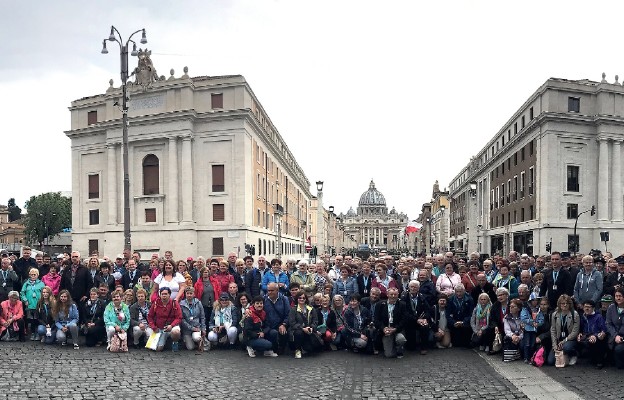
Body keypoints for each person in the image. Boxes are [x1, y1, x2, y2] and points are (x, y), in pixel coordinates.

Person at [374, 287, 407, 358]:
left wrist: (395, 329)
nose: (393, 296)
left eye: (395, 294)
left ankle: (399, 349)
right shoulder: (380, 304)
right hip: (386, 330)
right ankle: (391, 346)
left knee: (401, 339)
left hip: (397, 330)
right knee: (389, 355)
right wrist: (383, 328)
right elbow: (376, 320)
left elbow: (404, 320)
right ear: (387, 294)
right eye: (391, 294)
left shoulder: (402, 305)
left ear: (398, 295)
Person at [547, 294, 580, 366]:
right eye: (563, 303)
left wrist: (564, 341)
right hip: (559, 340)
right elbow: (553, 330)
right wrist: (554, 345)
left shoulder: (574, 314)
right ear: (559, 304)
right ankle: (564, 355)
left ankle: (573, 354)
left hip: (570, 339)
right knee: (550, 361)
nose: (565, 305)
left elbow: (575, 332)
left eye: (567, 303)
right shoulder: (555, 315)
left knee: (566, 347)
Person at [147, 287, 182, 352]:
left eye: (166, 294)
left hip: (171, 326)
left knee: (176, 332)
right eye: (162, 294)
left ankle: (175, 343)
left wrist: (171, 325)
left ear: (169, 295)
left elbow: (179, 317)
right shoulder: (155, 303)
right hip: (159, 328)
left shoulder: (174, 303)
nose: (164, 296)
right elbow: (150, 316)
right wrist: (153, 327)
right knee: (158, 349)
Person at [288, 290, 321, 358]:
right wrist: (302, 328)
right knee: (299, 333)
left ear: (306, 299)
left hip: (309, 331)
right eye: (300, 298)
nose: (302, 299)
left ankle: (304, 347)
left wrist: (312, 327)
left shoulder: (311, 309)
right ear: (297, 299)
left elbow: (315, 321)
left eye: (303, 298)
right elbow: (292, 323)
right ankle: (298, 350)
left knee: (311, 349)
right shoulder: (293, 309)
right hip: (297, 331)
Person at [402, 280, 432, 354]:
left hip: (421, 320)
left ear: (418, 288)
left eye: (415, 287)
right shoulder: (404, 297)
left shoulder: (422, 297)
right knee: (411, 348)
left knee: (425, 326)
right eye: (411, 286)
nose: (413, 288)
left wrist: (425, 318)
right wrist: (416, 320)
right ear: (409, 288)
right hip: (410, 320)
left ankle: (424, 347)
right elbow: (404, 313)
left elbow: (428, 310)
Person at [578, 300, 608, 368]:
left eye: (589, 307)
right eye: (585, 307)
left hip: (597, 337)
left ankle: (600, 361)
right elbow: (580, 329)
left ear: (593, 308)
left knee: (596, 341)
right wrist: (579, 334)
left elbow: (603, 330)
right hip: (586, 337)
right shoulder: (583, 317)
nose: (587, 309)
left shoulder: (598, 317)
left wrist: (595, 335)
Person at [263, 282, 290, 354]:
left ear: (277, 290)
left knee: (284, 332)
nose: (270, 292)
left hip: (281, 324)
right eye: (268, 290)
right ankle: (273, 348)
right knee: (273, 333)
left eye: (272, 290)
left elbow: (288, 314)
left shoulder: (284, 299)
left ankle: (282, 348)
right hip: (268, 326)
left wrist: (284, 324)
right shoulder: (263, 299)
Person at [193, 266, 220, 337]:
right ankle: (204, 336)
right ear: (201, 273)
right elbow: (195, 295)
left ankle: (212, 336)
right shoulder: (197, 283)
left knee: (212, 320)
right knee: (204, 320)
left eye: (207, 272)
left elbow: (218, 292)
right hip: (203, 305)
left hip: (213, 305)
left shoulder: (215, 282)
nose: (206, 273)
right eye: (204, 272)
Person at [20, 268, 44, 340]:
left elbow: (44, 293)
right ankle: (33, 333)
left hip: (38, 304)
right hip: (29, 304)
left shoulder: (41, 283)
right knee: (31, 320)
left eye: (35, 275)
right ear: (29, 275)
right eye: (31, 274)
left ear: (37, 275)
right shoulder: (26, 284)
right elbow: (22, 293)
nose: (33, 276)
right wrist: (25, 300)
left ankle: (38, 333)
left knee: (38, 319)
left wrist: (41, 301)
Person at [179, 286, 206, 351]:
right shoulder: (181, 304)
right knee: (190, 348)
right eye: (187, 293)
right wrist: (191, 328)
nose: (189, 295)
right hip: (187, 329)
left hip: (197, 327)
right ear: (185, 294)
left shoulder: (198, 303)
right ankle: (188, 340)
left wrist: (203, 328)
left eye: (191, 293)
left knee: (196, 338)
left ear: (194, 294)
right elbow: (182, 319)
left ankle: (199, 340)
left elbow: (202, 317)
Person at [520, 293, 544, 363]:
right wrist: (531, 322)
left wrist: (538, 323)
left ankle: (531, 357)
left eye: (536, 300)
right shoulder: (525, 308)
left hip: (534, 330)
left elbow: (541, 319)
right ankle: (526, 358)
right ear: (530, 301)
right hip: (527, 329)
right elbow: (523, 318)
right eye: (533, 300)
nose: (535, 302)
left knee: (533, 344)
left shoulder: (538, 310)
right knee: (527, 344)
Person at [606, 287, 624, 369]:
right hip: (613, 336)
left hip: (623, 336)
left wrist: (620, 336)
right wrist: (615, 335)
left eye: (620, 296)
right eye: (616, 296)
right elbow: (608, 323)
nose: (618, 298)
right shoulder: (611, 308)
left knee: (619, 349)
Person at [488, 287, 510, 355]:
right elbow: (492, 318)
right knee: (490, 330)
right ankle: (494, 348)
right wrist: (495, 326)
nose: (500, 297)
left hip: (510, 326)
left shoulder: (512, 303)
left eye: (502, 295)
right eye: (498, 295)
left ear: (507, 295)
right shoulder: (496, 305)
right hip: (499, 325)